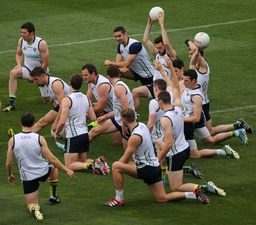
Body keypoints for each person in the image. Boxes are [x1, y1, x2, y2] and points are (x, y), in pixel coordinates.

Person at [103, 108, 209, 207]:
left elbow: (125, 159)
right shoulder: (142, 126)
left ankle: (118, 199)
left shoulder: (134, 137)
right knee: (162, 198)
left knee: (116, 166)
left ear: (123, 120)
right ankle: (194, 194)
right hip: (154, 167)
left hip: (146, 169)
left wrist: (119, 167)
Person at [156, 91, 226, 198]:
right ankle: (163, 175)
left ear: (161, 102)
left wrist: (157, 160)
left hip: (176, 154)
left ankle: (205, 188)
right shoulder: (178, 110)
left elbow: (169, 143)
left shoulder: (165, 119)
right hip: (185, 148)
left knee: (176, 187)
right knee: (159, 142)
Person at [6, 113, 74, 221]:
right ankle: (53, 196)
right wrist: (67, 170)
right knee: (53, 167)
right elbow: (52, 159)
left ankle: (35, 209)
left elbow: (9, 163)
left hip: (28, 177)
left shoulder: (13, 140)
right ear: (33, 123)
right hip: (43, 171)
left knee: (30, 203)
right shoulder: (39, 138)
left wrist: (10, 175)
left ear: (21, 123)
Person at [186, 40, 253, 136]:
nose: (190, 56)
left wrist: (189, 41)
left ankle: (237, 129)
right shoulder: (194, 67)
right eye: (189, 54)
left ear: (198, 55)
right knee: (209, 130)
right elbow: (192, 62)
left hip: (202, 104)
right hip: (200, 102)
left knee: (210, 132)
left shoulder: (203, 67)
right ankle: (238, 125)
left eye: (192, 54)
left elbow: (195, 49)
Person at [54, 74, 109, 175]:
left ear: (70, 84)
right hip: (84, 135)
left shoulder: (67, 100)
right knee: (82, 161)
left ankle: (91, 165)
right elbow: (93, 118)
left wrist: (57, 133)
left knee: (69, 166)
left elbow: (62, 121)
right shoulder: (86, 98)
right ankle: (99, 164)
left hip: (73, 135)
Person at [181, 69, 241, 159]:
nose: (184, 82)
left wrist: (180, 118)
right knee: (210, 140)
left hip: (190, 122)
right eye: (183, 79)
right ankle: (236, 132)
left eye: (186, 80)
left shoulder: (196, 96)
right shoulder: (190, 87)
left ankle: (224, 151)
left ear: (193, 80)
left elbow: (196, 118)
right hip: (189, 119)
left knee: (194, 155)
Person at [133, 12, 177, 111]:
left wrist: (161, 23)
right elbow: (146, 39)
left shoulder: (171, 55)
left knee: (158, 110)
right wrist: (149, 23)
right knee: (135, 92)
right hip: (155, 86)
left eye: (160, 47)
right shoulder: (157, 54)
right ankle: (134, 116)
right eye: (157, 47)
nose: (158, 49)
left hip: (166, 88)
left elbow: (166, 43)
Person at [2, 22, 50, 112]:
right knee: (13, 73)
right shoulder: (21, 40)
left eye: (24, 33)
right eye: (21, 32)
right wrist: (19, 64)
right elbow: (18, 54)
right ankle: (11, 103)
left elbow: (45, 63)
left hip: (41, 73)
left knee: (47, 100)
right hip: (27, 69)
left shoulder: (41, 43)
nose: (22, 35)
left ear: (32, 33)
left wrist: (34, 77)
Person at [89, 66, 135, 149]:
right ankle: (75, 148)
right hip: (120, 119)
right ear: (119, 75)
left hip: (125, 122)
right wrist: (105, 116)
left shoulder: (118, 88)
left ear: (108, 77)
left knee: (129, 151)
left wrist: (124, 125)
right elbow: (119, 109)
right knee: (94, 131)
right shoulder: (118, 86)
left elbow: (127, 110)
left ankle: (73, 149)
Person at [29, 66, 70, 133]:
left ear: (43, 76)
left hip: (70, 107)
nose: (35, 82)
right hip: (65, 106)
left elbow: (63, 105)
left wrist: (56, 122)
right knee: (42, 122)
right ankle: (24, 137)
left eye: (36, 79)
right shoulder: (47, 84)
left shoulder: (55, 84)